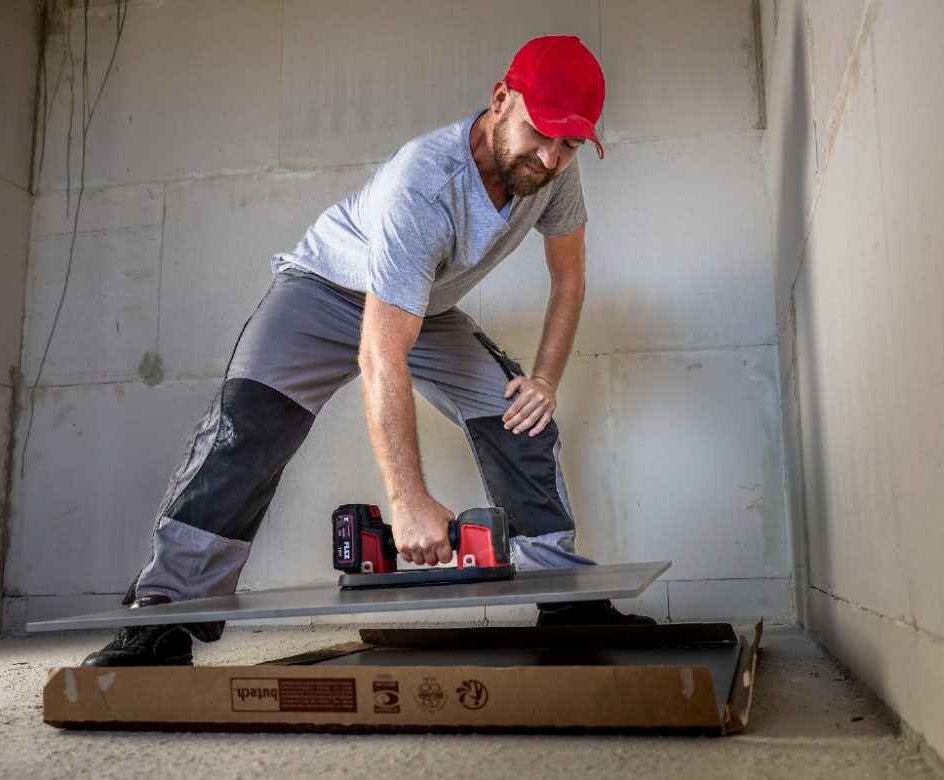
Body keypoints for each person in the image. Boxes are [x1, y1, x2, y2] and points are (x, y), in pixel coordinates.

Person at [81, 35, 653, 667]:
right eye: (540, 130)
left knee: (517, 411)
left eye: (569, 143)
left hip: (420, 309)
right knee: (247, 428)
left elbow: (569, 279)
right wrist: (407, 501)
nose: (548, 156)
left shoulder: (551, 175)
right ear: (499, 100)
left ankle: (564, 600)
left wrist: (545, 378)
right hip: (321, 292)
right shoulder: (424, 182)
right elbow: (381, 358)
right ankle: (166, 611)